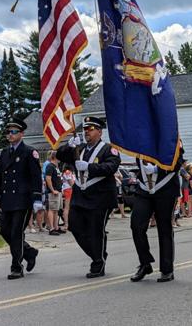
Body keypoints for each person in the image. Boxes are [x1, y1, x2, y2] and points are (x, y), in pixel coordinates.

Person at [0, 118, 43, 279]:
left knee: (16, 233)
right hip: (8, 199)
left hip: (23, 199)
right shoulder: (5, 152)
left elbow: (36, 177)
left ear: (21, 134)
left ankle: (16, 266)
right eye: (8, 132)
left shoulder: (29, 152)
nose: (10, 135)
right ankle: (29, 251)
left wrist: (37, 198)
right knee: (5, 231)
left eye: (13, 132)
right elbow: (0, 176)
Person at [70, 116, 121, 279]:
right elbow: (62, 156)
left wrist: (90, 167)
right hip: (81, 196)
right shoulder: (81, 148)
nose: (86, 132)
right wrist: (69, 145)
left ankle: (98, 264)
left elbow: (111, 166)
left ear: (99, 131)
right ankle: (97, 254)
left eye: (90, 129)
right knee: (75, 226)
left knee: (95, 231)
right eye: (85, 130)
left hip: (100, 197)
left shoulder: (108, 149)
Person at [129, 145, 181, 284]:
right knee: (136, 225)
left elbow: (177, 162)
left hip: (165, 188)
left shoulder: (169, 134)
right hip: (145, 188)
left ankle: (167, 268)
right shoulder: (141, 138)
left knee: (164, 228)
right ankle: (145, 263)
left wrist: (157, 169)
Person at [45, 150, 64, 235]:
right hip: (53, 192)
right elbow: (48, 179)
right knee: (52, 209)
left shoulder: (56, 166)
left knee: (56, 210)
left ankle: (56, 227)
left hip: (58, 191)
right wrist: (52, 190)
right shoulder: (50, 166)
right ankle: (51, 228)